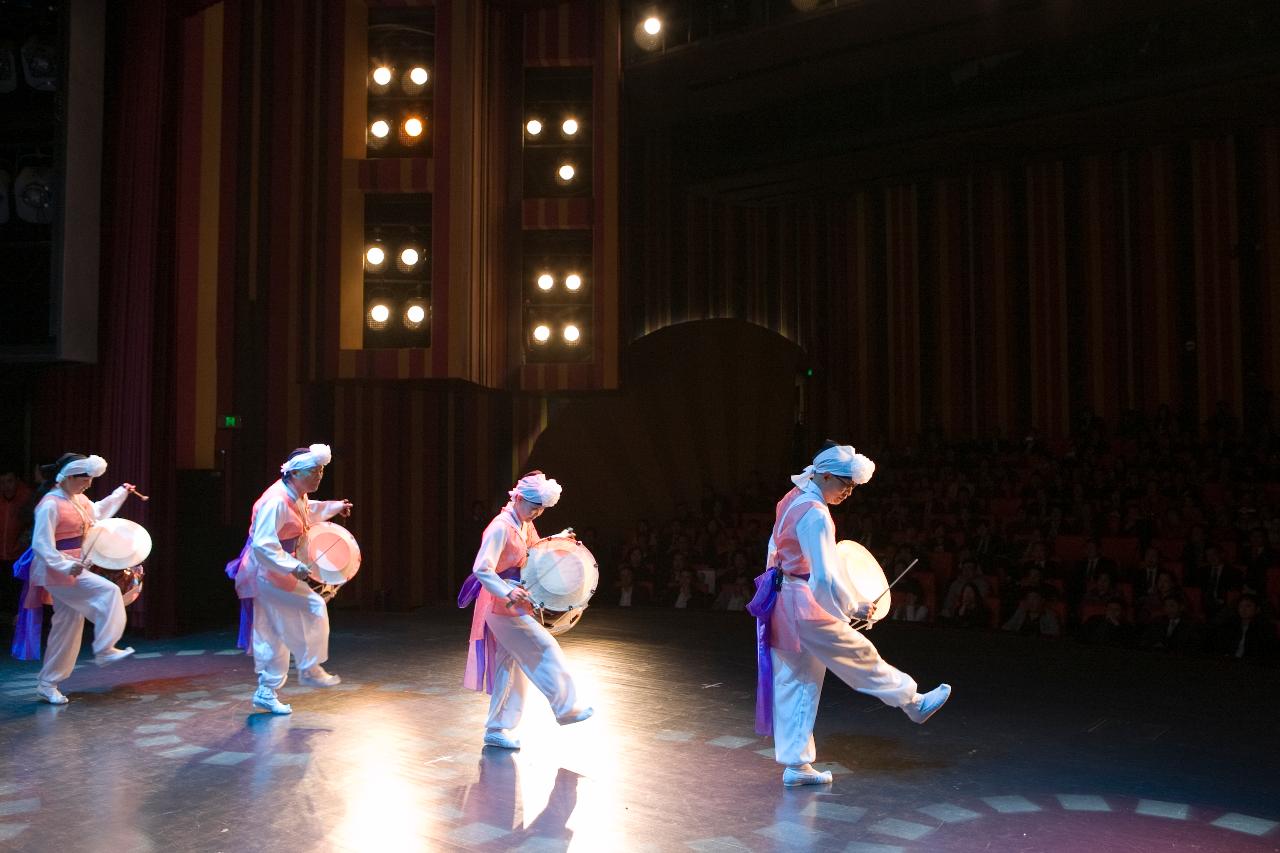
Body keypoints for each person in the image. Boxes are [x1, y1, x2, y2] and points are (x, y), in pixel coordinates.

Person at [746, 443, 951, 788]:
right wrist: (852, 606)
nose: (848, 492)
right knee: (857, 654)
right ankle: (912, 702)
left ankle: (797, 765)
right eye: (844, 484)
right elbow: (824, 576)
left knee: (797, 681)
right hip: (801, 600)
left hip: (781, 597)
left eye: (852, 486)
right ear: (824, 475)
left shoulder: (792, 496)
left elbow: (776, 547)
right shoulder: (815, 514)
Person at [457, 471, 593, 750]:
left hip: (514, 602)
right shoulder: (500, 527)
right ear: (518, 498)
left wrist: (558, 538)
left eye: (541, 509)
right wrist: (507, 589)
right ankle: (566, 707)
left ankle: (496, 729)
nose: (537, 513)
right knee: (545, 647)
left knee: (508, 666)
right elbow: (482, 568)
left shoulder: (523, 522)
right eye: (534, 507)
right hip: (499, 604)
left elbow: (532, 552)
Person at [226, 444, 353, 715]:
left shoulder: (297, 494)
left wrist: (335, 506)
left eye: (321, 471)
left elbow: (309, 512)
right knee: (313, 607)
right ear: (296, 473)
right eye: (314, 471)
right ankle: (309, 668)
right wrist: (293, 565)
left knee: (272, 633)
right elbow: (262, 544)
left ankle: (267, 690)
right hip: (265, 572)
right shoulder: (275, 501)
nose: (319, 476)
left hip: (275, 572)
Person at [15, 453, 139, 704]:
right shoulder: (50, 504)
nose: (89, 484)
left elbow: (98, 512)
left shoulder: (77, 499)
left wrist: (120, 493)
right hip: (56, 569)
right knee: (109, 591)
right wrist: (62, 565)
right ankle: (105, 649)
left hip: (73, 566)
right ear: (68, 477)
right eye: (85, 479)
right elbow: (41, 543)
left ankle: (48, 683)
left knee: (67, 626)